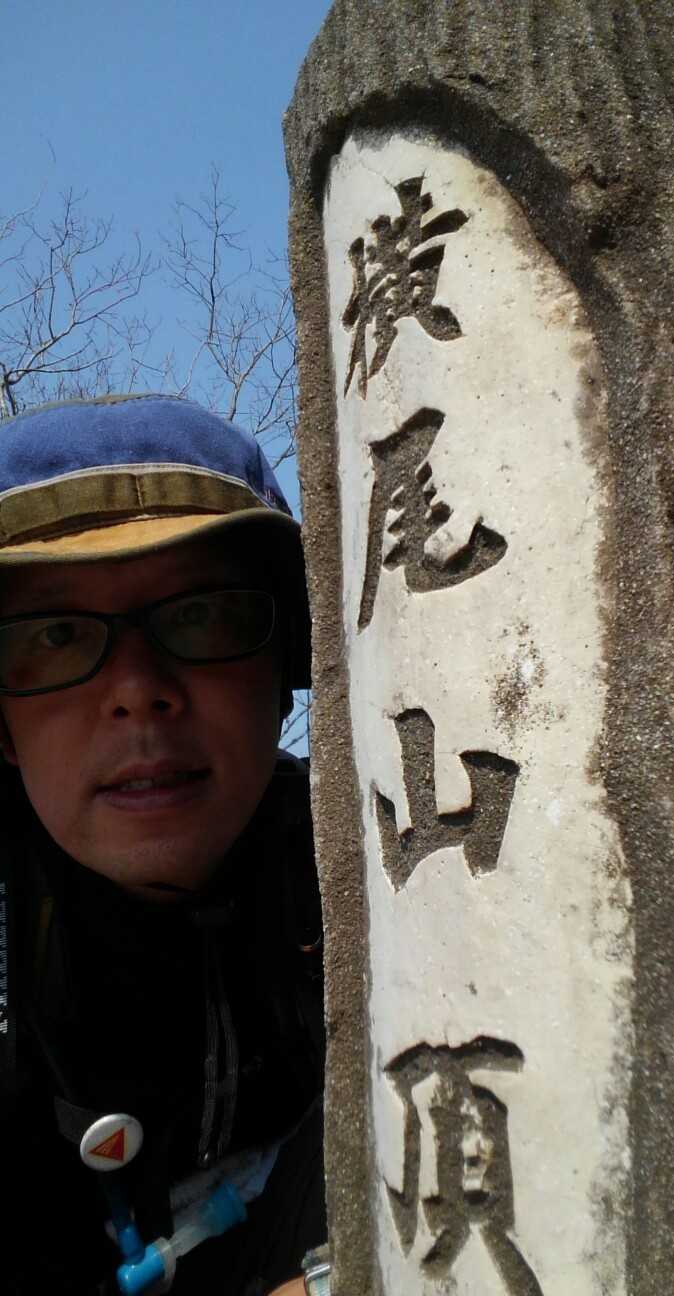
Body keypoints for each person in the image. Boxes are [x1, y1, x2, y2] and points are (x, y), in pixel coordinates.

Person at [0, 394, 326, 1296]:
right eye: (55, 634)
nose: (137, 690)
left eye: (204, 614)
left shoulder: (393, 875)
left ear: (284, 675)